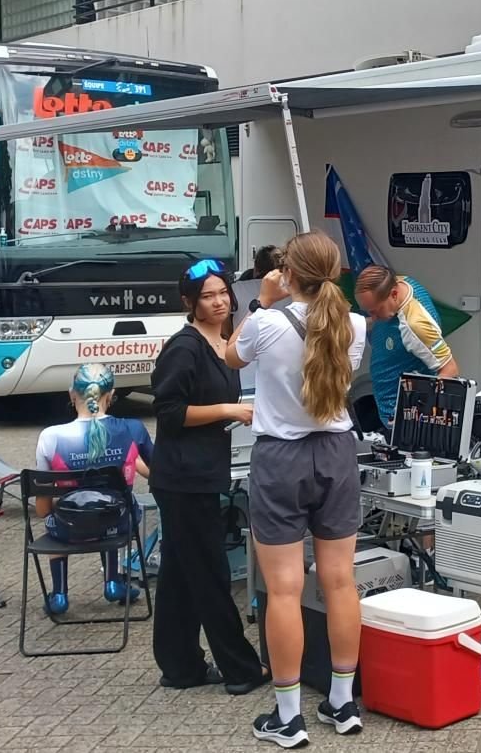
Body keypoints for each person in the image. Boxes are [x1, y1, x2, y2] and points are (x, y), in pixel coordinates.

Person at [225, 231, 367, 748]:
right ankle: (343, 701)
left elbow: (230, 357)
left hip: (281, 457)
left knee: (283, 589)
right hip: (336, 453)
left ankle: (288, 715)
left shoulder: (264, 322)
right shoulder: (356, 324)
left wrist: (264, 301)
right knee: (340, 582)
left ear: (288, 273)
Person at [148, 257, 266, 696]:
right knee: (211, 575)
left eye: (223, 294)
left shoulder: (215, 341)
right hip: (184, 479)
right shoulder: (184, 347)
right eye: (208, 297)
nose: (219, 302)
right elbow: (169, 413)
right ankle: (240, 670)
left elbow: (232, 346)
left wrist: (257, 311)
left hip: (199, 473)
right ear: (189, 303)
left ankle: (180, 667)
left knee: (180, 575)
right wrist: (229, 410)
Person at [33, 365, 152, 615]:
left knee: (59, 514)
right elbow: (161, 472)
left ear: (71, 394)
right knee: (114, 505)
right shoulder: (132, 429)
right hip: (118, 527)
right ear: (111, 395)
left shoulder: (50, 436)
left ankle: (59, 595)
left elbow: (42, 509)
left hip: (67, 530)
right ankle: (113, 583)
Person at [353, 264, 457, 434]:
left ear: (394, 294)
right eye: (368, 311)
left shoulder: (415, 325)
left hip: (403, 423)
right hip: (386, 408)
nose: (373, 317)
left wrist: (415, 413)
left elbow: (450, 369)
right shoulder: (401, 282)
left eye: (376, 311)